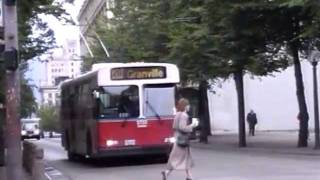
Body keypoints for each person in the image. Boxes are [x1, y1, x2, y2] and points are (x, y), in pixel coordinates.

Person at [161, 98, 198, 180]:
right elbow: (183, 127)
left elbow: (174, 126)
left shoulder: (177, 114)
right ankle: (167, 173)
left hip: (177, 137)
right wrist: (192, 125)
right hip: (183, 139)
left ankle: (189, 176)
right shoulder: (184, 115)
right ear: (185, 106)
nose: (189, 106)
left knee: (177, 156)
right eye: (188, 105)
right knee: (182, 157)